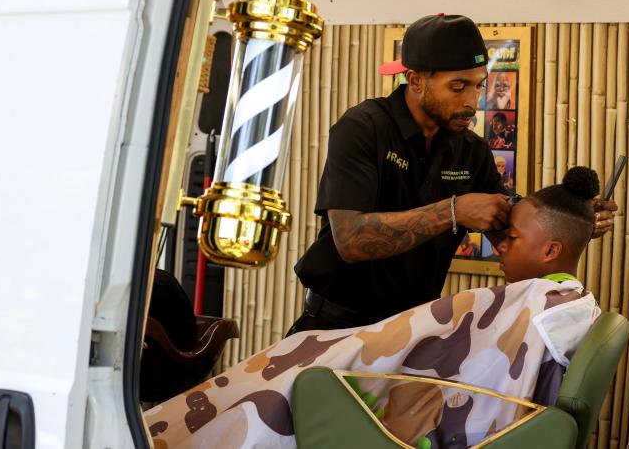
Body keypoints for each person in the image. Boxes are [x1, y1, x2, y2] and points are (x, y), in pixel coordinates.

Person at [143, 167, 604, 448]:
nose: (499, 243)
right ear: (419, 79)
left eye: (512, 237)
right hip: (348, 320)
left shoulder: (538, 306)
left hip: (375, 364)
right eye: (460, 86)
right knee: (304, 350)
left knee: (290, 380)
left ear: (549, 253)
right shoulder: (566, 303)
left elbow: (479, 384)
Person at [289, 14, 617, 333]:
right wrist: (454, 211)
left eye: (478, 86)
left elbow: (506, 226)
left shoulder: (472, 152)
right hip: (336, 325)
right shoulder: (364, 129)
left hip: (412, 327)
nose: (472, 102)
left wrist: (573, 221)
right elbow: (351, 240)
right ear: (416, 80)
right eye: (458, 87)